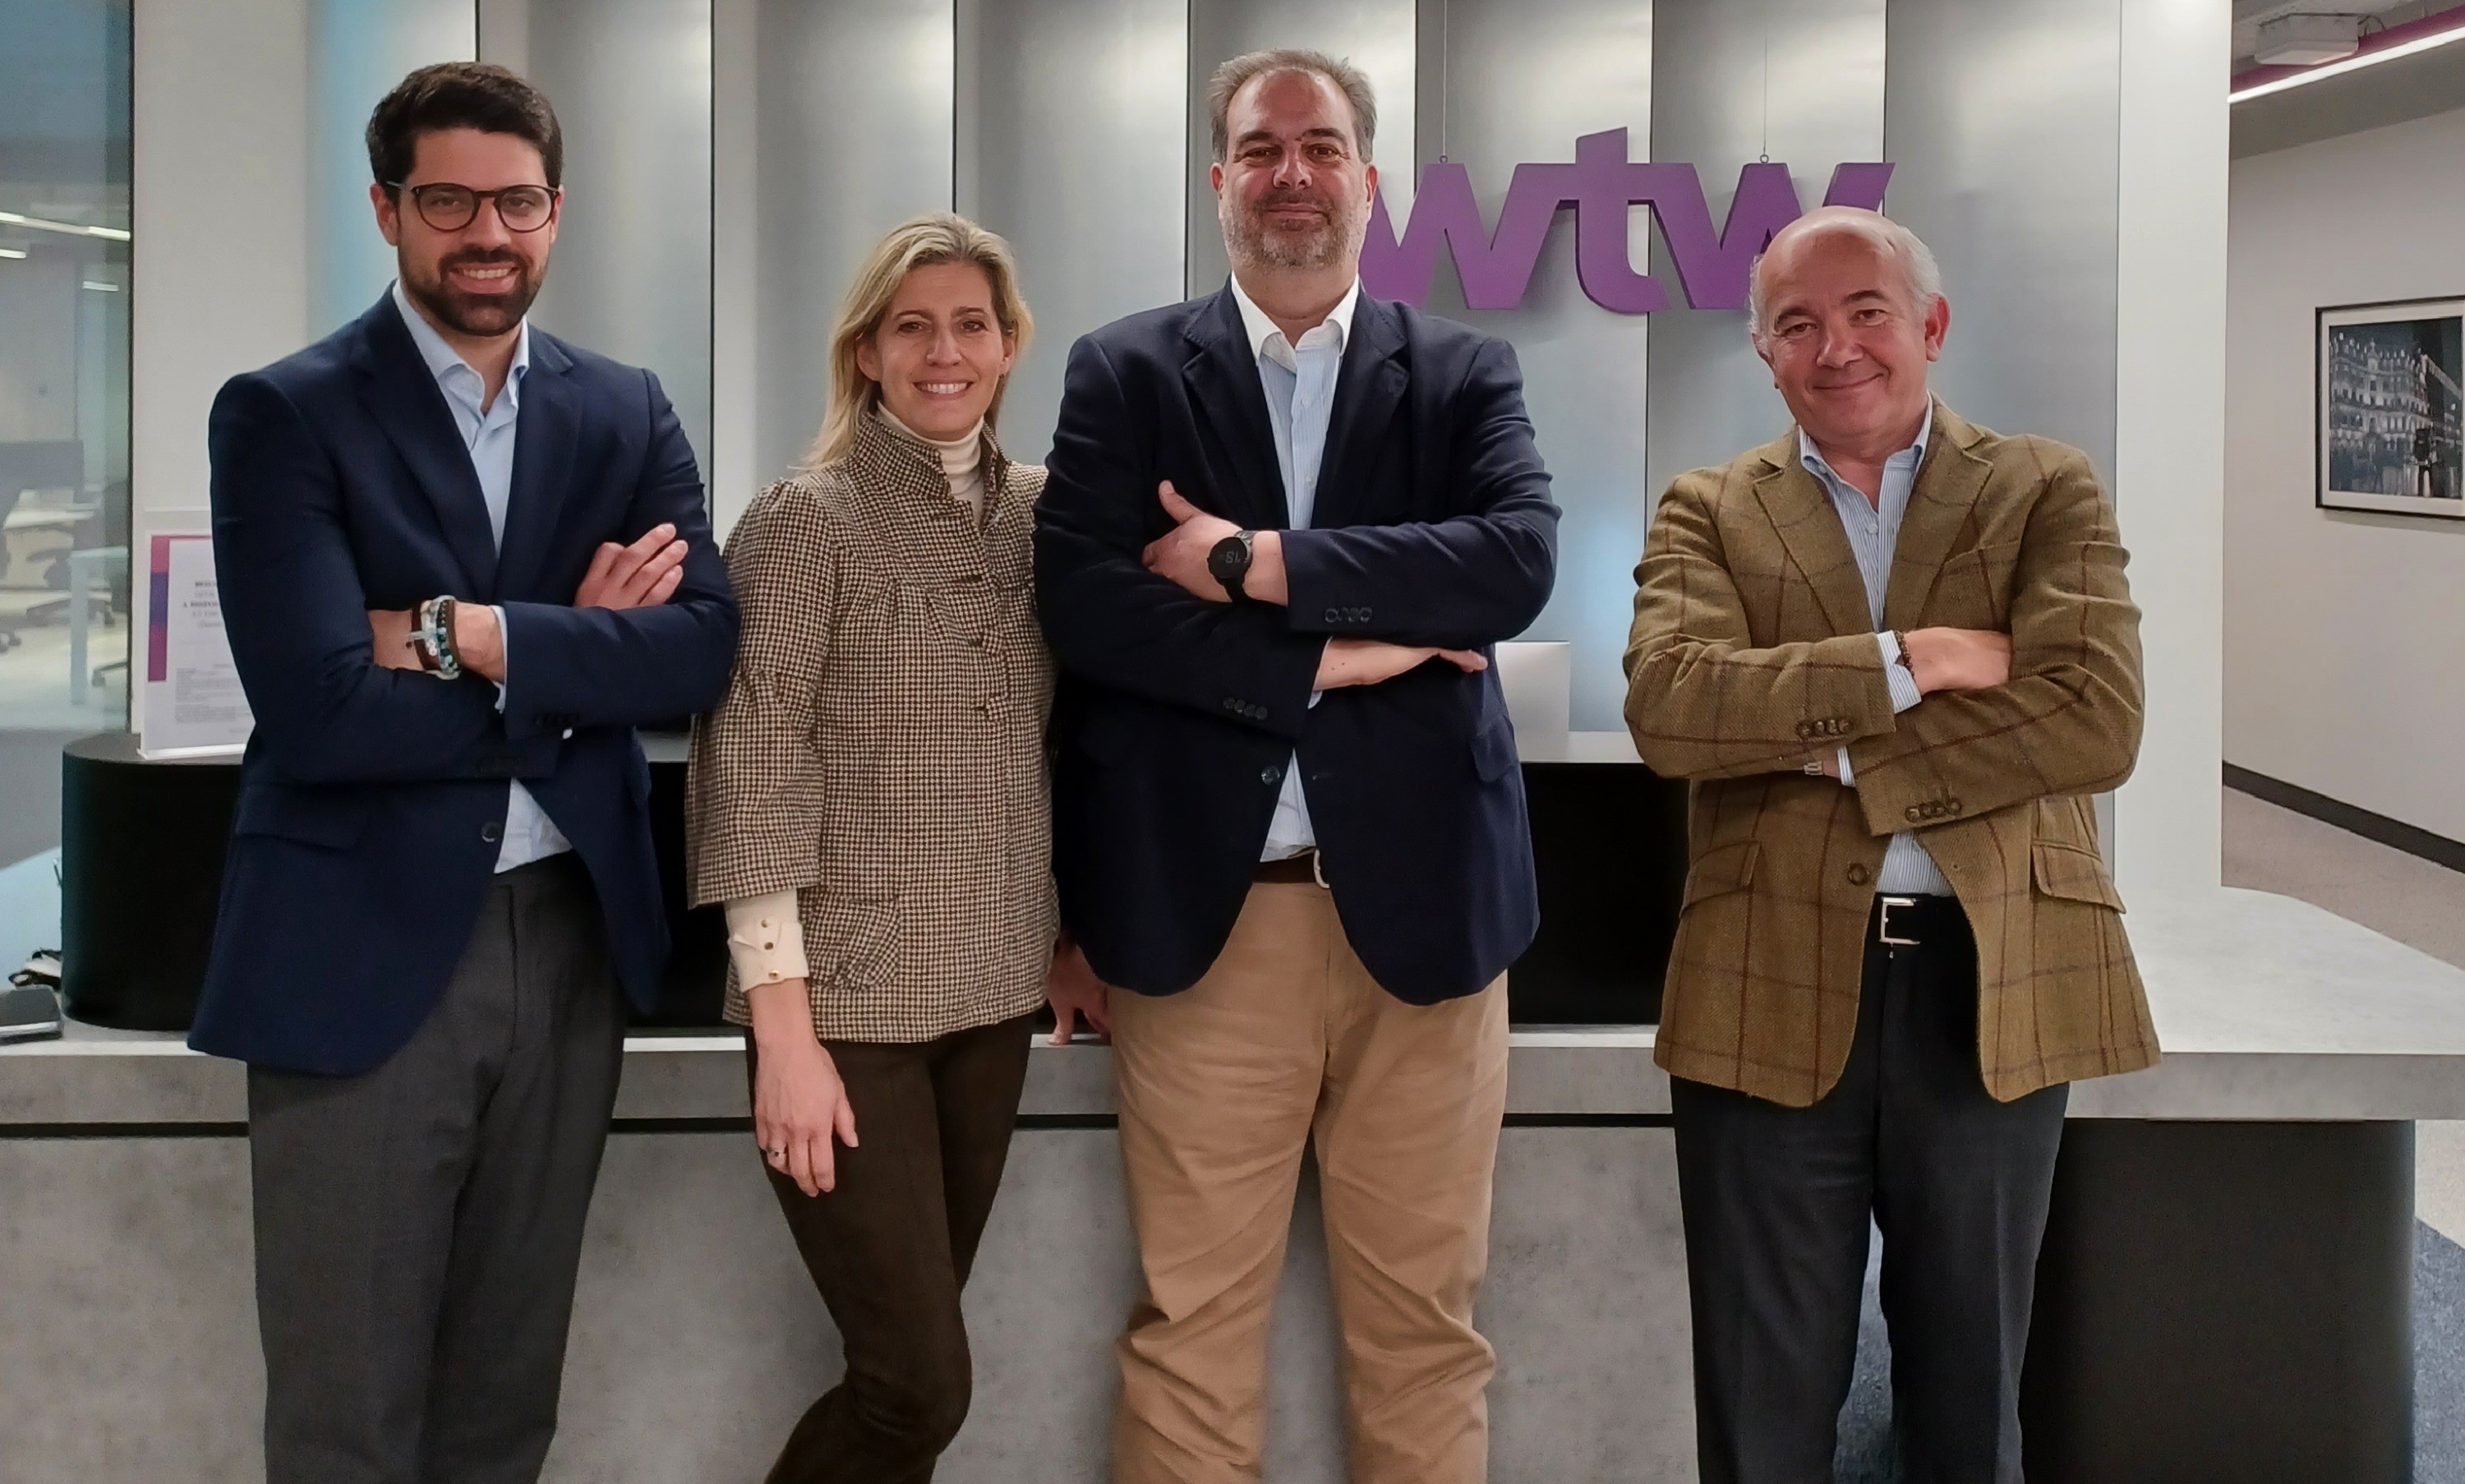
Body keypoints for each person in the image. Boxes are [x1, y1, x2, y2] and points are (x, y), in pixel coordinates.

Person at [191, 62, 739, 1484]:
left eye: (518, 202)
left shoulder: (623, 408)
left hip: (568, 940)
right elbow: (321, 711)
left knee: (505, 1403)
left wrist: (466, 634)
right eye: (448, 202)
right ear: (386, 209)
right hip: (358, 948)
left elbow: (698, 651)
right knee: (348, 1420)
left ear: (557, 210)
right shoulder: (286, 413)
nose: (487, 233)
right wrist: (574, 661)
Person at [1035, 48, 1559, 1484]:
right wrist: (1339, 656)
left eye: (1321, 148)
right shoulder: (1127, 370)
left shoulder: (1462, 373)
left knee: (1426, 1333)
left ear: (1369, 180)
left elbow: (1510, 565)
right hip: (1212, 930)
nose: (1292, 176)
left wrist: (1249, 562)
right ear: (1219, 181)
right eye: (1262, 151)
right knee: (1192, 1333)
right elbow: (1088, 607)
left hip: (1429, 924)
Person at [1622, 206, 2154, 1484]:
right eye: (1797, 323)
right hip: (1763, 979)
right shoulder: (1708, 509)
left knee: (1970, 1405)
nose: (1837, 347)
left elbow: (2095, 717)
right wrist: (1914, 659)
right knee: (1762, 1409)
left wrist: (1827, 750)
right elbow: (1674, 709)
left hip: (1991, 986)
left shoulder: (2043, 487)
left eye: (1867, 311)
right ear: (1765, 353)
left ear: (1932, 325)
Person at [686, 213, 1090, 1483]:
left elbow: (1063, 747)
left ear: (1011, 344)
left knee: (909, 1378)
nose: (944, 351)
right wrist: (784, 1034)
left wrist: (1067, 935)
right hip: (845, 1009)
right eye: (912, 327)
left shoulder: (1045, 515)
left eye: (971, 324)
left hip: (994, 995)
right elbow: (752, 766)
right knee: (917, 1386)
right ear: (866, 351)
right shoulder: (803, 521)